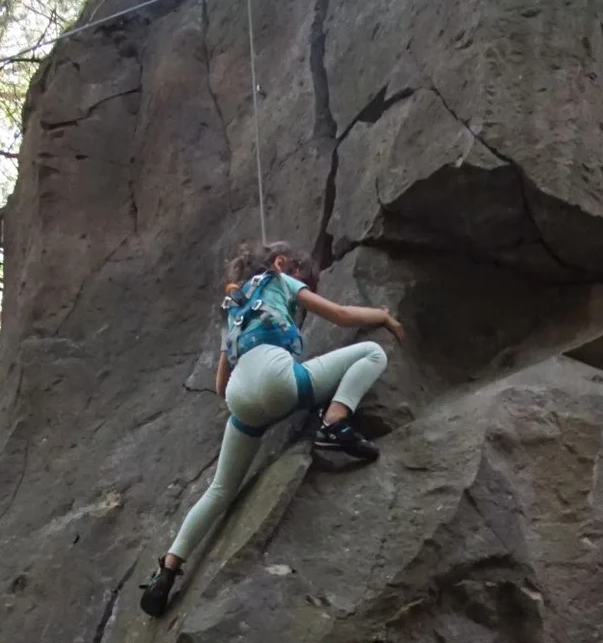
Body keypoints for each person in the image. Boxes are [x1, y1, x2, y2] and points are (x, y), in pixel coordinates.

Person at [139, 241, 405, 617]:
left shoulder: (231, 310)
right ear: (283, 265)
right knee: (372, 354)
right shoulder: (281, 281)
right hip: (281, 382)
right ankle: (334, 423)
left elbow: (219, 386)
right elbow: (343, 314)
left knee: (220, 489)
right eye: (305, 286)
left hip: (240, 401)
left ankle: (167, 568)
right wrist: (381, 316)